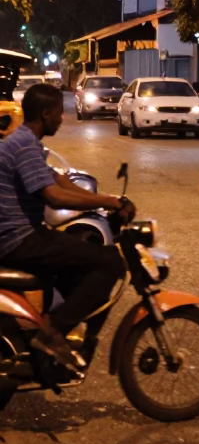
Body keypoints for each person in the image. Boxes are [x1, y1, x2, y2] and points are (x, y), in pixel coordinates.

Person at [0, 83, 135, 372]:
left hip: (21, 234)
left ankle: (57, 335)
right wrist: (109, 202)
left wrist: (105, 200)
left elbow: (59, 180)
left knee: (80, 261)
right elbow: (54, 196)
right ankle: (52, 334)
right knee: (111, 262)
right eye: (59, 113)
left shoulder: (25, 141)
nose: (62, 119)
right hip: (18, 239)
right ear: (45, 113)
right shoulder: (24, 145)